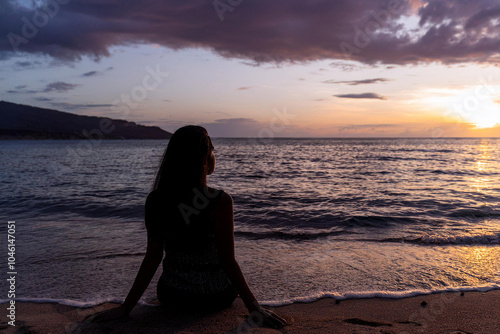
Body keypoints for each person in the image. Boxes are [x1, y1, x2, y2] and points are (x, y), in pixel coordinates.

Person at [87, 125, 287, 329]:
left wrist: (125, 308)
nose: (213, 155)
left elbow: (152, 257)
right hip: (214, 298)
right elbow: (228, 262)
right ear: (203, 158)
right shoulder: (220, 201)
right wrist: (254, 308)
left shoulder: (156, 200)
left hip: (172, 296)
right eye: (212, 150)